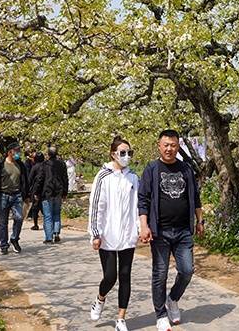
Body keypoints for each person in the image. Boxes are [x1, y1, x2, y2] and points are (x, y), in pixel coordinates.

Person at [139, 129, 204, 331]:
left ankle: (173, 299)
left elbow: (196, 197)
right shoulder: (151, 169)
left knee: (187, 270)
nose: (169, 148)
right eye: (166, 144)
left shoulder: (185, 169)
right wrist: (144, 225)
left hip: (183, 230)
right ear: (159, 145)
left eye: (173, 145)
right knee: (160, 273)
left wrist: (200, 221)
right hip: (160, 231)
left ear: (178, 146)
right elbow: (143, 200)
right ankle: (160, 314)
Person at [88, 137, 140, 331]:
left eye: (129, 153)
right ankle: (100, 298)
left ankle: (121, 318)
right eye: (122, 153)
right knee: (110, 276)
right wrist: (95, 233)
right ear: (113, 154)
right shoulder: (103, 176)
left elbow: (137, 205)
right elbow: (96, 206)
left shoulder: (133, 178)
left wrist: (140, 228)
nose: (126, 156)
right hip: (107, 235)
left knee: (125, 275)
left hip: (127, 235)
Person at [0, 140, 29, 255]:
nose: (19, 153)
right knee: (3, 222)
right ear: (10, 152)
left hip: (17, 195)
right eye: (16, 151)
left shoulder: (21, 165)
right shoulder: (0, 165)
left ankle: (14, 239)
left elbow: (25, 181)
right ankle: (4, 244)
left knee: (19, 218)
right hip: (3, 195)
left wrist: (26, 195)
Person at [33, 145, 69, 244]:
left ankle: (49, 237)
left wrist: (36, 192)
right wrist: (65, 192)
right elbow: (65, 179)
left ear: (48, 154)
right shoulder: (62, 164)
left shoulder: (44, 165)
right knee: (56, 213)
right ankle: (56, 233)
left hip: (47, 192)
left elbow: (40, 179)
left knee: (48, 216)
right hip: (58, 192)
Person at [28, 152, 45, 230]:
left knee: (35, 208)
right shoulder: (46, 166)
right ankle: (47, 223)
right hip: (45, 190)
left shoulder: (35, 167)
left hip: (36, 190)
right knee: (44, 208)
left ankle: (36, 224)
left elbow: (30, 179)